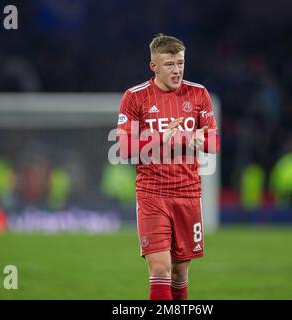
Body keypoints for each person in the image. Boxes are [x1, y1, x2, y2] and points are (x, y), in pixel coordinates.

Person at [116, 34, 220, 300]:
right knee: (160, 267)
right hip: (152, 194)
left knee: (179, 271)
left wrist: (199, 138)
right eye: (170, 64)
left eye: (180, 63)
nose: (177, 70)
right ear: (154, 66)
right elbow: (124, 148)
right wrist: (162, 138)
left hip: (187, 193)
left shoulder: (198, 94)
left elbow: (214, 141)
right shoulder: (135, 97)